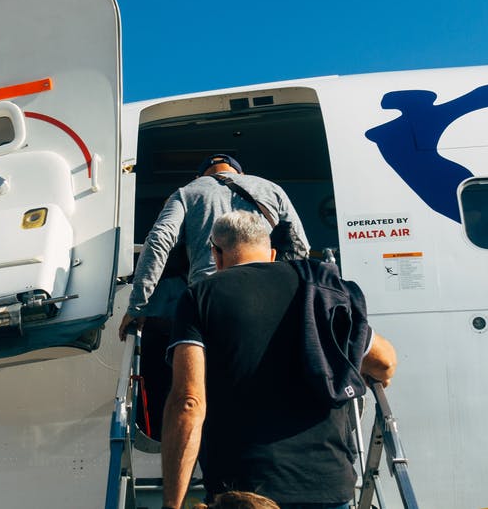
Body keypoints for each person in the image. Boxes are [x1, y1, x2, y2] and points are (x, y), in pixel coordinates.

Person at [160, 211, 396, 509]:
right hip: (327, 483)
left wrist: (172, 503)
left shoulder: (200, 297)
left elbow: (188, 402)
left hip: (243, 493)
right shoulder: (317, 290)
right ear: (271, 253)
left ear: (216, 254)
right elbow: (384, 362)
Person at [121, 153, 310, 338]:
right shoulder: (271, 189)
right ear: (240, 174)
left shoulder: (188, 191)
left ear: (199, 177)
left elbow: (158, 240)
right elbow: (300, 247)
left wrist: (138, 305)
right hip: (265, 296)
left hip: (207, 296)